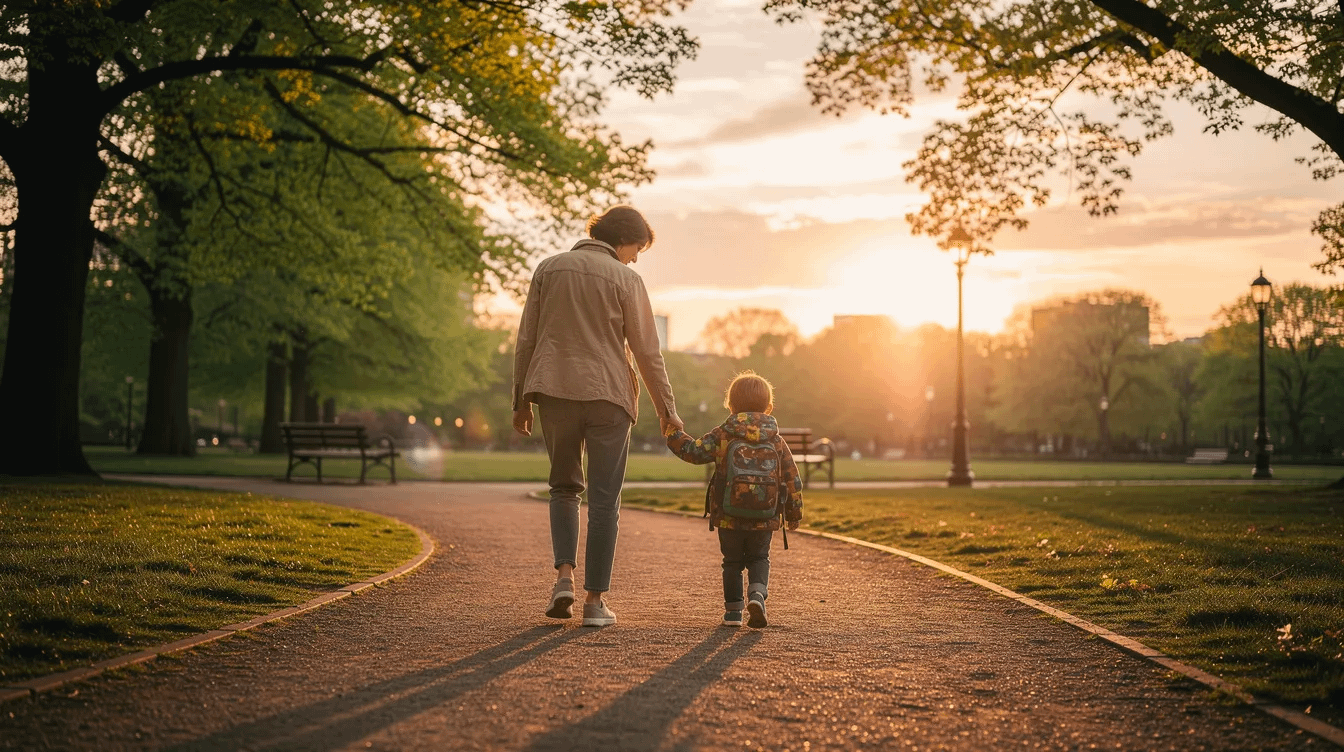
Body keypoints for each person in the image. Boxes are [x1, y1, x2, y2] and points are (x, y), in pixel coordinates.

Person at [512, 205, 683, 627]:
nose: (637, 257)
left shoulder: (548, 269)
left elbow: (527, 339)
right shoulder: (627, 279)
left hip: (554, 390)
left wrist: (520, 400)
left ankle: (564, 579)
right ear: (624, 238)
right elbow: (647, 351)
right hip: (610, 396)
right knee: (605, 501)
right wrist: (668, 411)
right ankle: (594, 602)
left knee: (564, 488)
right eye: (638, 247)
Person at [664, 371, 802, 628]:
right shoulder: (777, 440)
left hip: (728, 515)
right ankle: (757, 595)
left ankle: (733, 613)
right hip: (765, 516)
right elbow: (793, 479)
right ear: (769, 407)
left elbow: (693, 451)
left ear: (730, 406)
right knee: (760, 557)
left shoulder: (724, 434)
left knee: (732, 562)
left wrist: (673, 433)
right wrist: (794, 514)